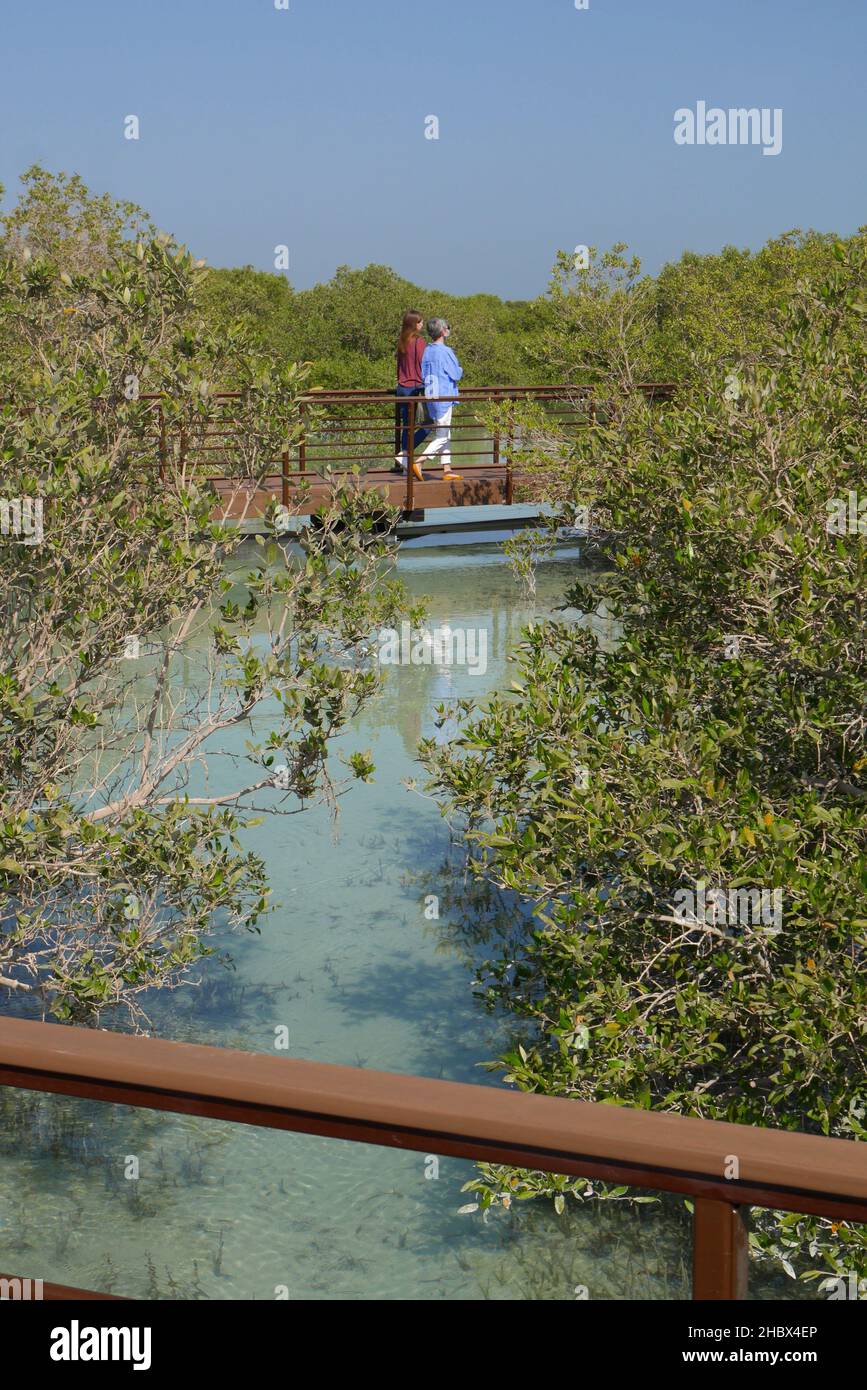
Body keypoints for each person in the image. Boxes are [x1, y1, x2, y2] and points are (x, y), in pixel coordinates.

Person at [416, 317, 463, 481]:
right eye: (447, 327)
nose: (449, 329)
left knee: (445, 432)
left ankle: (447, 469)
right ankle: (420, 461)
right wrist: (460, 369)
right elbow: (456, 374)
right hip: (443, 396)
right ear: (443, 331)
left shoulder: (428, 350)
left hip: (431, 395)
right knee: (442, 435)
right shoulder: (445, 351)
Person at [394, 310, 432, 473]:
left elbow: (399, 367)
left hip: (402, 388)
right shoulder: (419, 341)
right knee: (430, 424)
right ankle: (405, 454)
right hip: (416, 387)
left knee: (406, 426)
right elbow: (423, 364)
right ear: (413, 324)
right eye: (420, 322)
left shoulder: (402, 340)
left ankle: (405, 465)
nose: (422, 324)